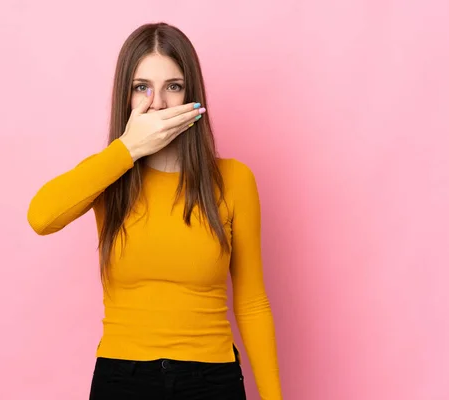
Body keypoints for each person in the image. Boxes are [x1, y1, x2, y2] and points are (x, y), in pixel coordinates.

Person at [27, 22, 283, 400]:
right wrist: (127, 149)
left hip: (212, 379)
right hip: (121, 379)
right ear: (126, 98)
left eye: (173, 87)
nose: (158, 103)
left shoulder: (234, 180)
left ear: (192, 96)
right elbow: (41, 217)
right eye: (141, 88)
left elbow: (252, 301)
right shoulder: (109, 174)